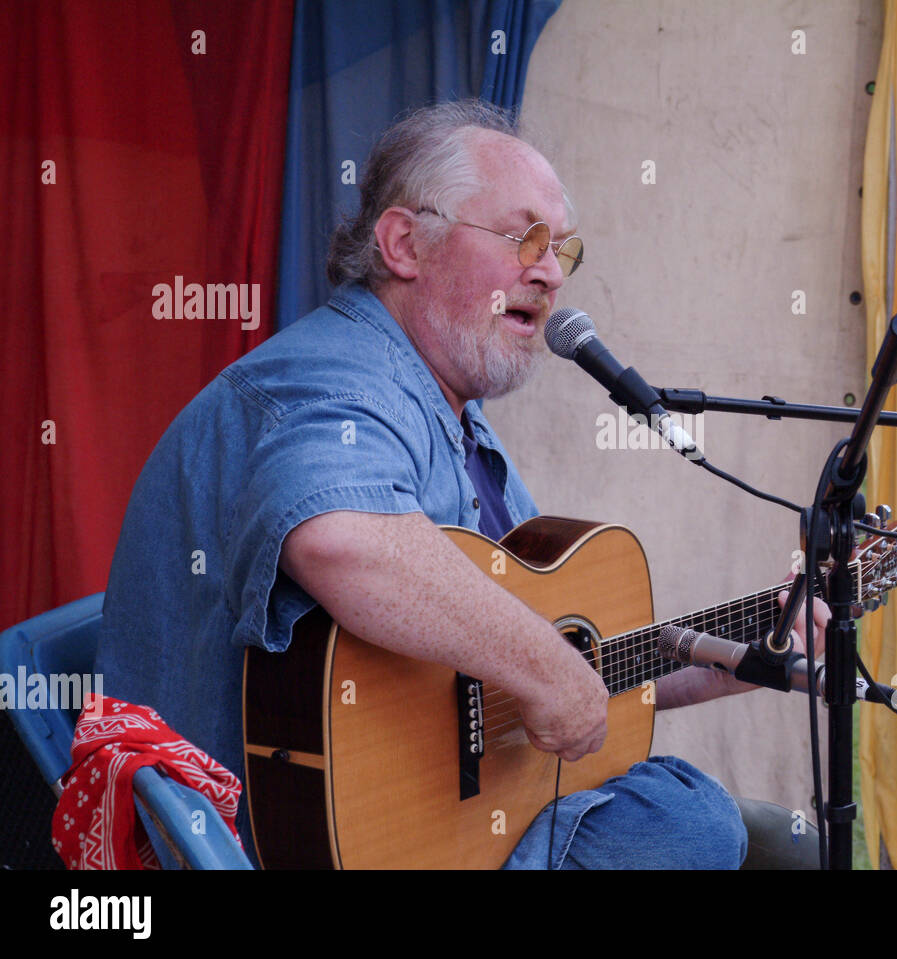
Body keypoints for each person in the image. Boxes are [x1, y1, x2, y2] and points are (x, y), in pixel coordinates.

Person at [94, 100, 826, 869]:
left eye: (562, 250)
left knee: (742, 833)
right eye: (523, 237)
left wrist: (743, 653)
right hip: (271, 843)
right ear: (405, 243)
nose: (548, 271)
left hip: (443, 835)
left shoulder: (457, 422)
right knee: (694, 825)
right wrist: (545, 668)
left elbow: (560, 670)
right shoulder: (334, 382)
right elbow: (344, 538)